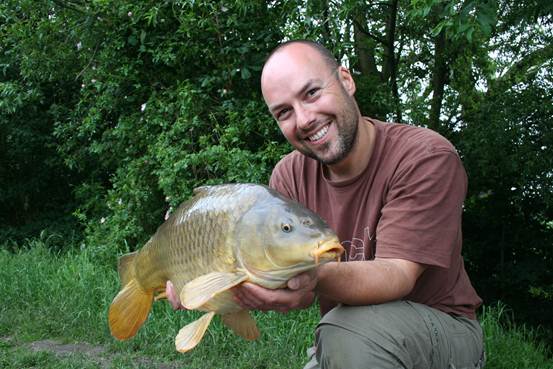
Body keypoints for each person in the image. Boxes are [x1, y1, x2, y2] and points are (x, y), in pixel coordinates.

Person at [168, 40, 485, 369]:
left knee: (345, 334)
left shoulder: (424, 157)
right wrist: (215, 286)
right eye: (284, 112)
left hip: (441, 330)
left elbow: (397, 274)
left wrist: (314, 277)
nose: (303, 119)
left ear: (346, 80)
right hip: (348, 335)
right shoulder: (288, 174)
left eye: (311, 93)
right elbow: (301, 294)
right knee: (343, 334)